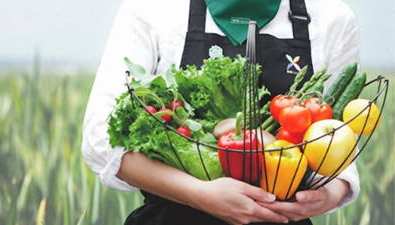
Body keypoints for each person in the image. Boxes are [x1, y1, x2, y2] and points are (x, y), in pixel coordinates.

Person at [81, 0, 361, 224]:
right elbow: (102, 140)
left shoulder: (332, 18)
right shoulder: (152, 8)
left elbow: (338, 143)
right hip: (173, 217)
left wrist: (330, 193)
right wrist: (199, 194)